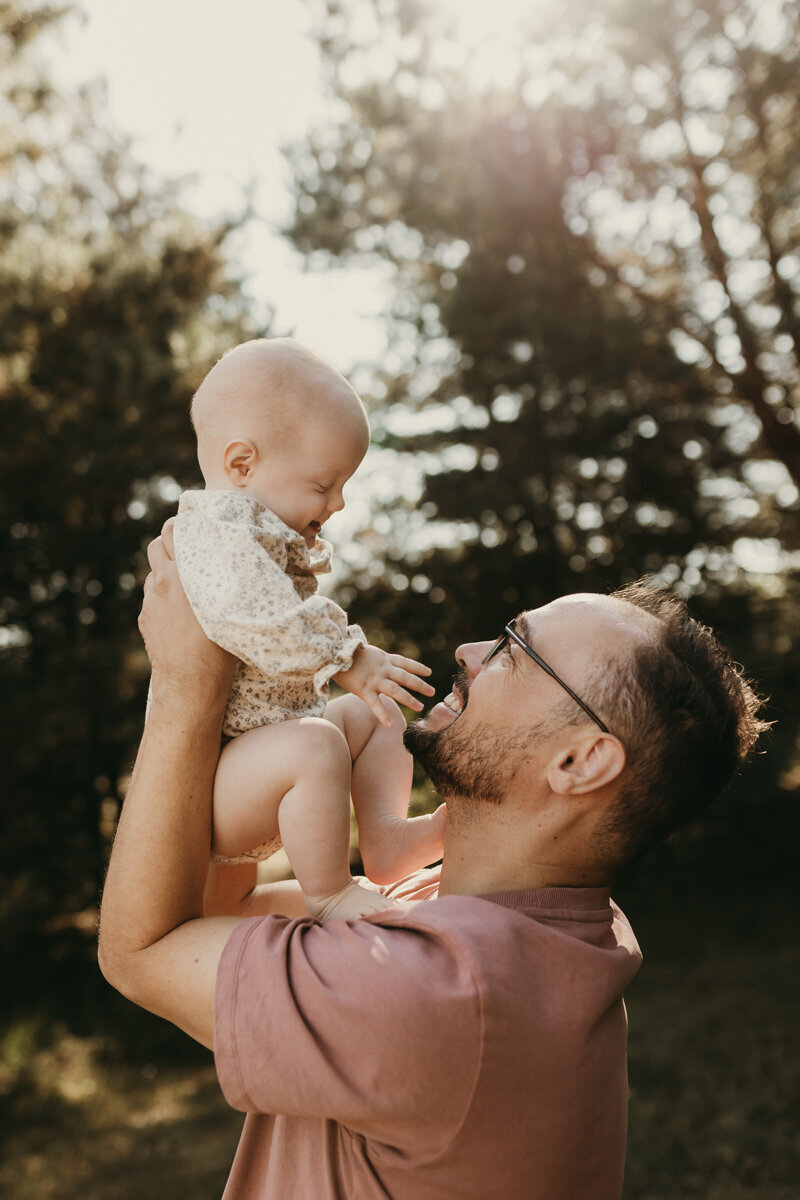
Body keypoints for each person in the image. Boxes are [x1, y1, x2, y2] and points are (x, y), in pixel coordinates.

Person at [99, 528, 768, 1200]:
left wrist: (190, 683)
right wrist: (285, 743)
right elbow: (222, 917)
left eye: (516, 649)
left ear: (580, 762)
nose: (470, 652)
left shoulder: (445, 993)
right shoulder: (514, 925)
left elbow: (146, 949)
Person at [163, 337, 446, 921]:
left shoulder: (256, 528)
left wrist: (359, 671)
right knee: (319, 740)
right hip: (218, 778)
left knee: (377, 708)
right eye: (323, 485)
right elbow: (251, 614)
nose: (338, 503)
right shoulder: (214, 529)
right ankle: (329, 891)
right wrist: (347, 656)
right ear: (242, 465)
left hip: (271, 749)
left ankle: (386, 840)